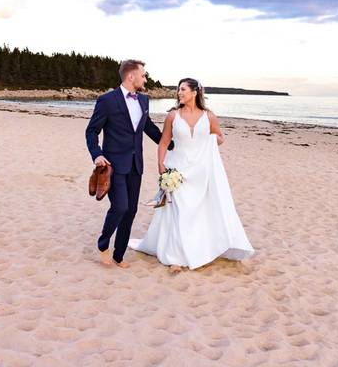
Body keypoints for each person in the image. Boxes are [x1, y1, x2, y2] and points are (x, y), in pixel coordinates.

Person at [129, 78, 254, 272]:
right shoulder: (173, 116)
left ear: (195, 92)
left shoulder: (209, 116)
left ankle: (198, 247)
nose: (179, 93)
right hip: (176, 168)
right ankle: (175, 258)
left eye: (183, 89)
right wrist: (161, 165)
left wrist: (210, 142)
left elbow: (220, 138)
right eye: (179, 90)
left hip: (201, 170)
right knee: (178, 211)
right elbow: (163, 142)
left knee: (197, 212)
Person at [85, 59, 171, 268]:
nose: (145, 78)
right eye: (143, 75)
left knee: (131, 211)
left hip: (136, 164)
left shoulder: (144, 100)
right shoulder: (107, 100)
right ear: (131, 76)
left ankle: (119, 255)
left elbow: (147, 126)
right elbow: (91, 131)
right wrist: (97, 155)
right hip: (114, 165)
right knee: (120, 207)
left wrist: (169, 143)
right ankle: (103, 244)